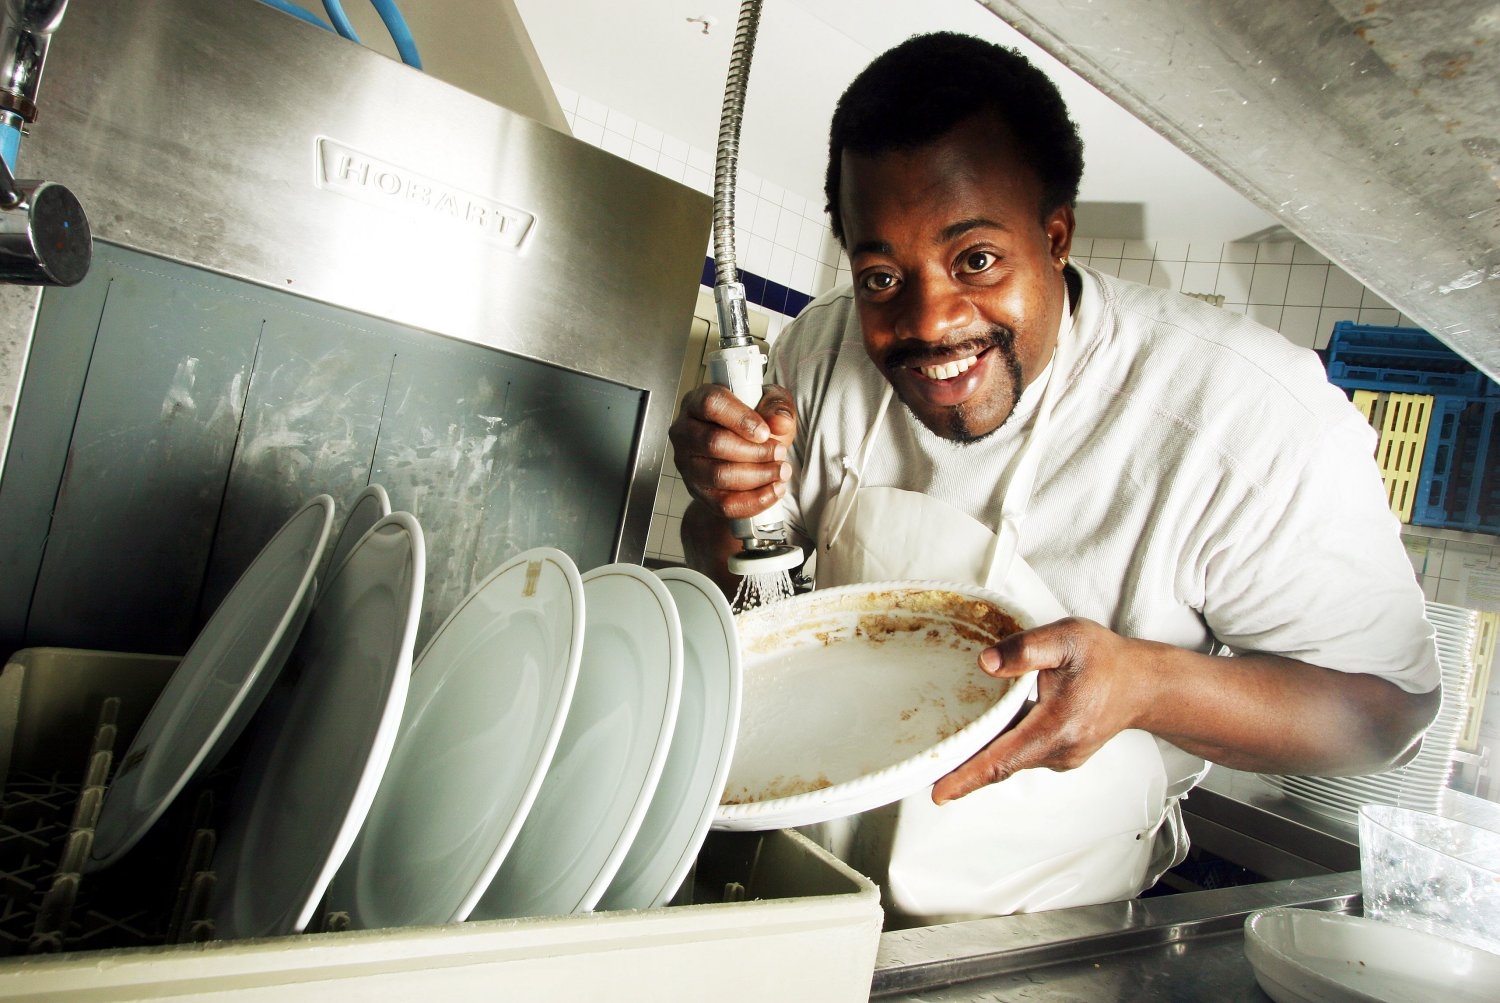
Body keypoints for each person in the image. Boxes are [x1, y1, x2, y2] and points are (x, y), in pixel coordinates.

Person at [670, 32, 1440, 922]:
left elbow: (1388, 716)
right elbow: (746, 596)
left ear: (1056, 234)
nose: (931, 321)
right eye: (881, 276)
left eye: (976, 260)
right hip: (811, 881)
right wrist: (729, 505)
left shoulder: (1241, 414)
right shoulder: (821, 348)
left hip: (1050, 927)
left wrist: (1147, 684)